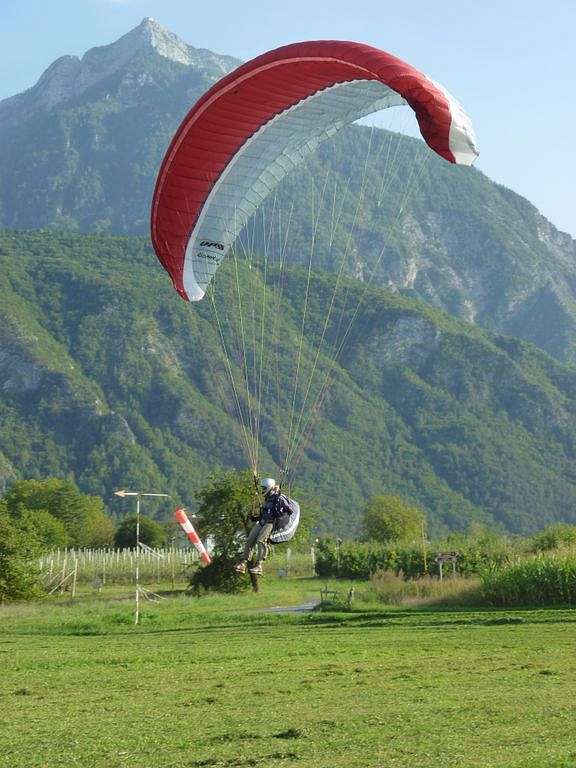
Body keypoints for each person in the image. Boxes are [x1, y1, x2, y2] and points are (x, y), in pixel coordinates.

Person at [235, 477, 292, 576]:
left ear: (269, 488)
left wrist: (279, 510)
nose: (262, 490)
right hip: (262, 522)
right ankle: (243, 564)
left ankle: (259, 565)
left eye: (264, 488)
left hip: (270, 523)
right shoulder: (267, 499)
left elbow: (289, 509)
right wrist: (255, 518)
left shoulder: (278, 498)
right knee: (250, 540)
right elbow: (264, 513)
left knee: (260, 540)